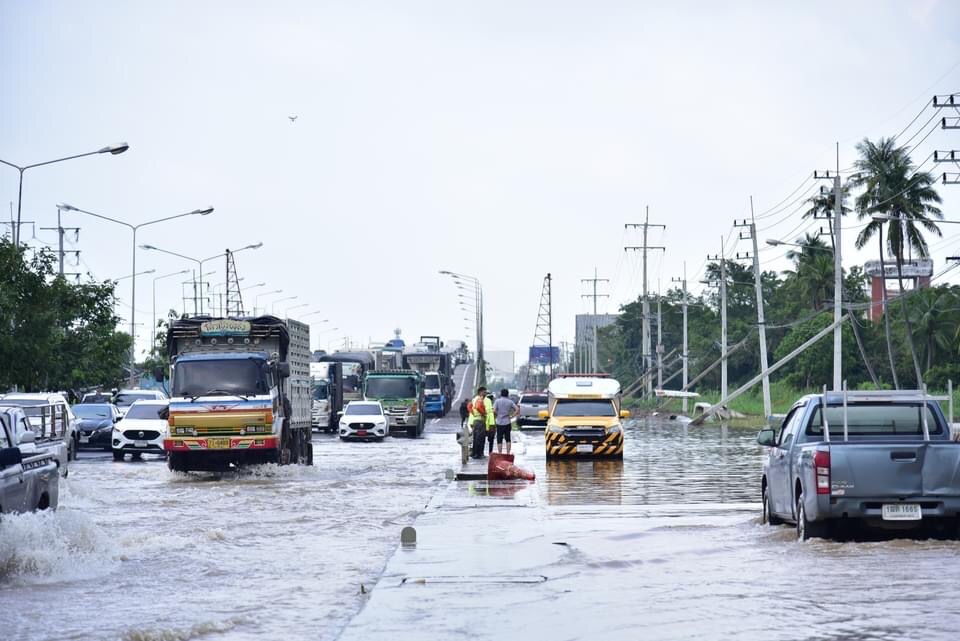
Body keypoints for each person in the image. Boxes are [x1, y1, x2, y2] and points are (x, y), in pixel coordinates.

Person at [492, 388, 518, 454]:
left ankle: (500, 453)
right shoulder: (510, 402)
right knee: (508, 438)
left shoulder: (497, 401)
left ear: (501, 394)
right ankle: (508, 453)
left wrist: (497, 415)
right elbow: (517, 409)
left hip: (499, 422)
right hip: (507, 422)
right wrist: (512, 416)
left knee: (499, 438)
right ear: (507, 394)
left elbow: (494, 410)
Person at [470, 386, 489, 459]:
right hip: (480, 421)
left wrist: (474, 413)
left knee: (476, 438)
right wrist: (483, 413)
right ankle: (479, 454)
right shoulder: (479, 399)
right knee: (480, 438)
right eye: (484, 392)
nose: (485, 394)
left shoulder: (474, 399)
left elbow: (469, 406)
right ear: (480, 392)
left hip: (475, 420)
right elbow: (478, 407)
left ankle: (474, 453)